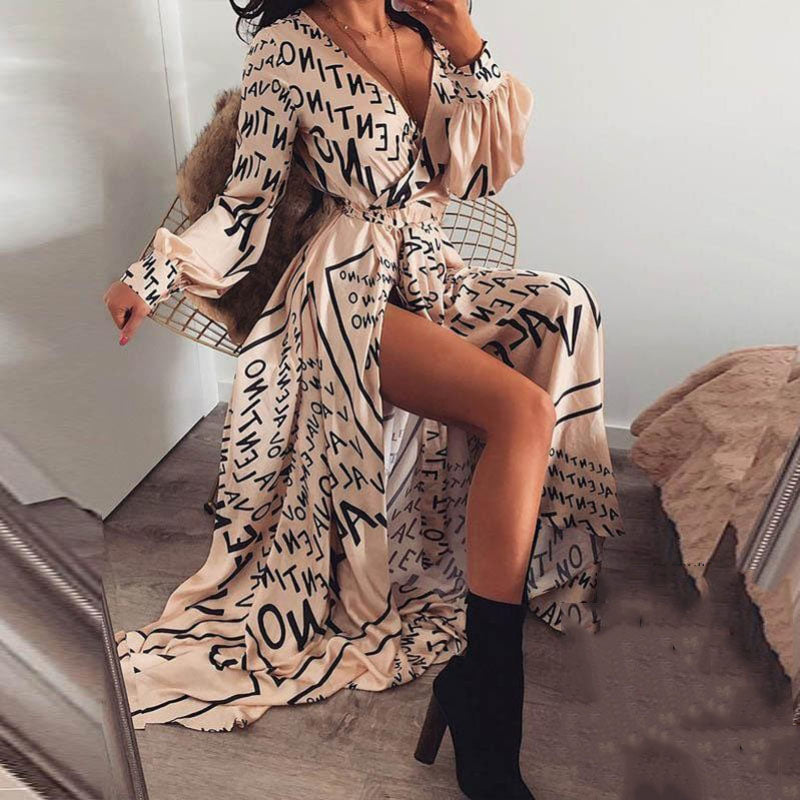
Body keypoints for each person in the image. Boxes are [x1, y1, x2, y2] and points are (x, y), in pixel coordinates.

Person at [103, 1, 626, 797]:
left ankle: (517, 563)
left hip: (434, 274)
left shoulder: (427, 33)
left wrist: (467, 47)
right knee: (520, 411)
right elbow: (243, 208)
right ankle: (489, 696)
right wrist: (153, 274)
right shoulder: (285, 48)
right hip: (348, 290)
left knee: (566, 305)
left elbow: (479, 176)